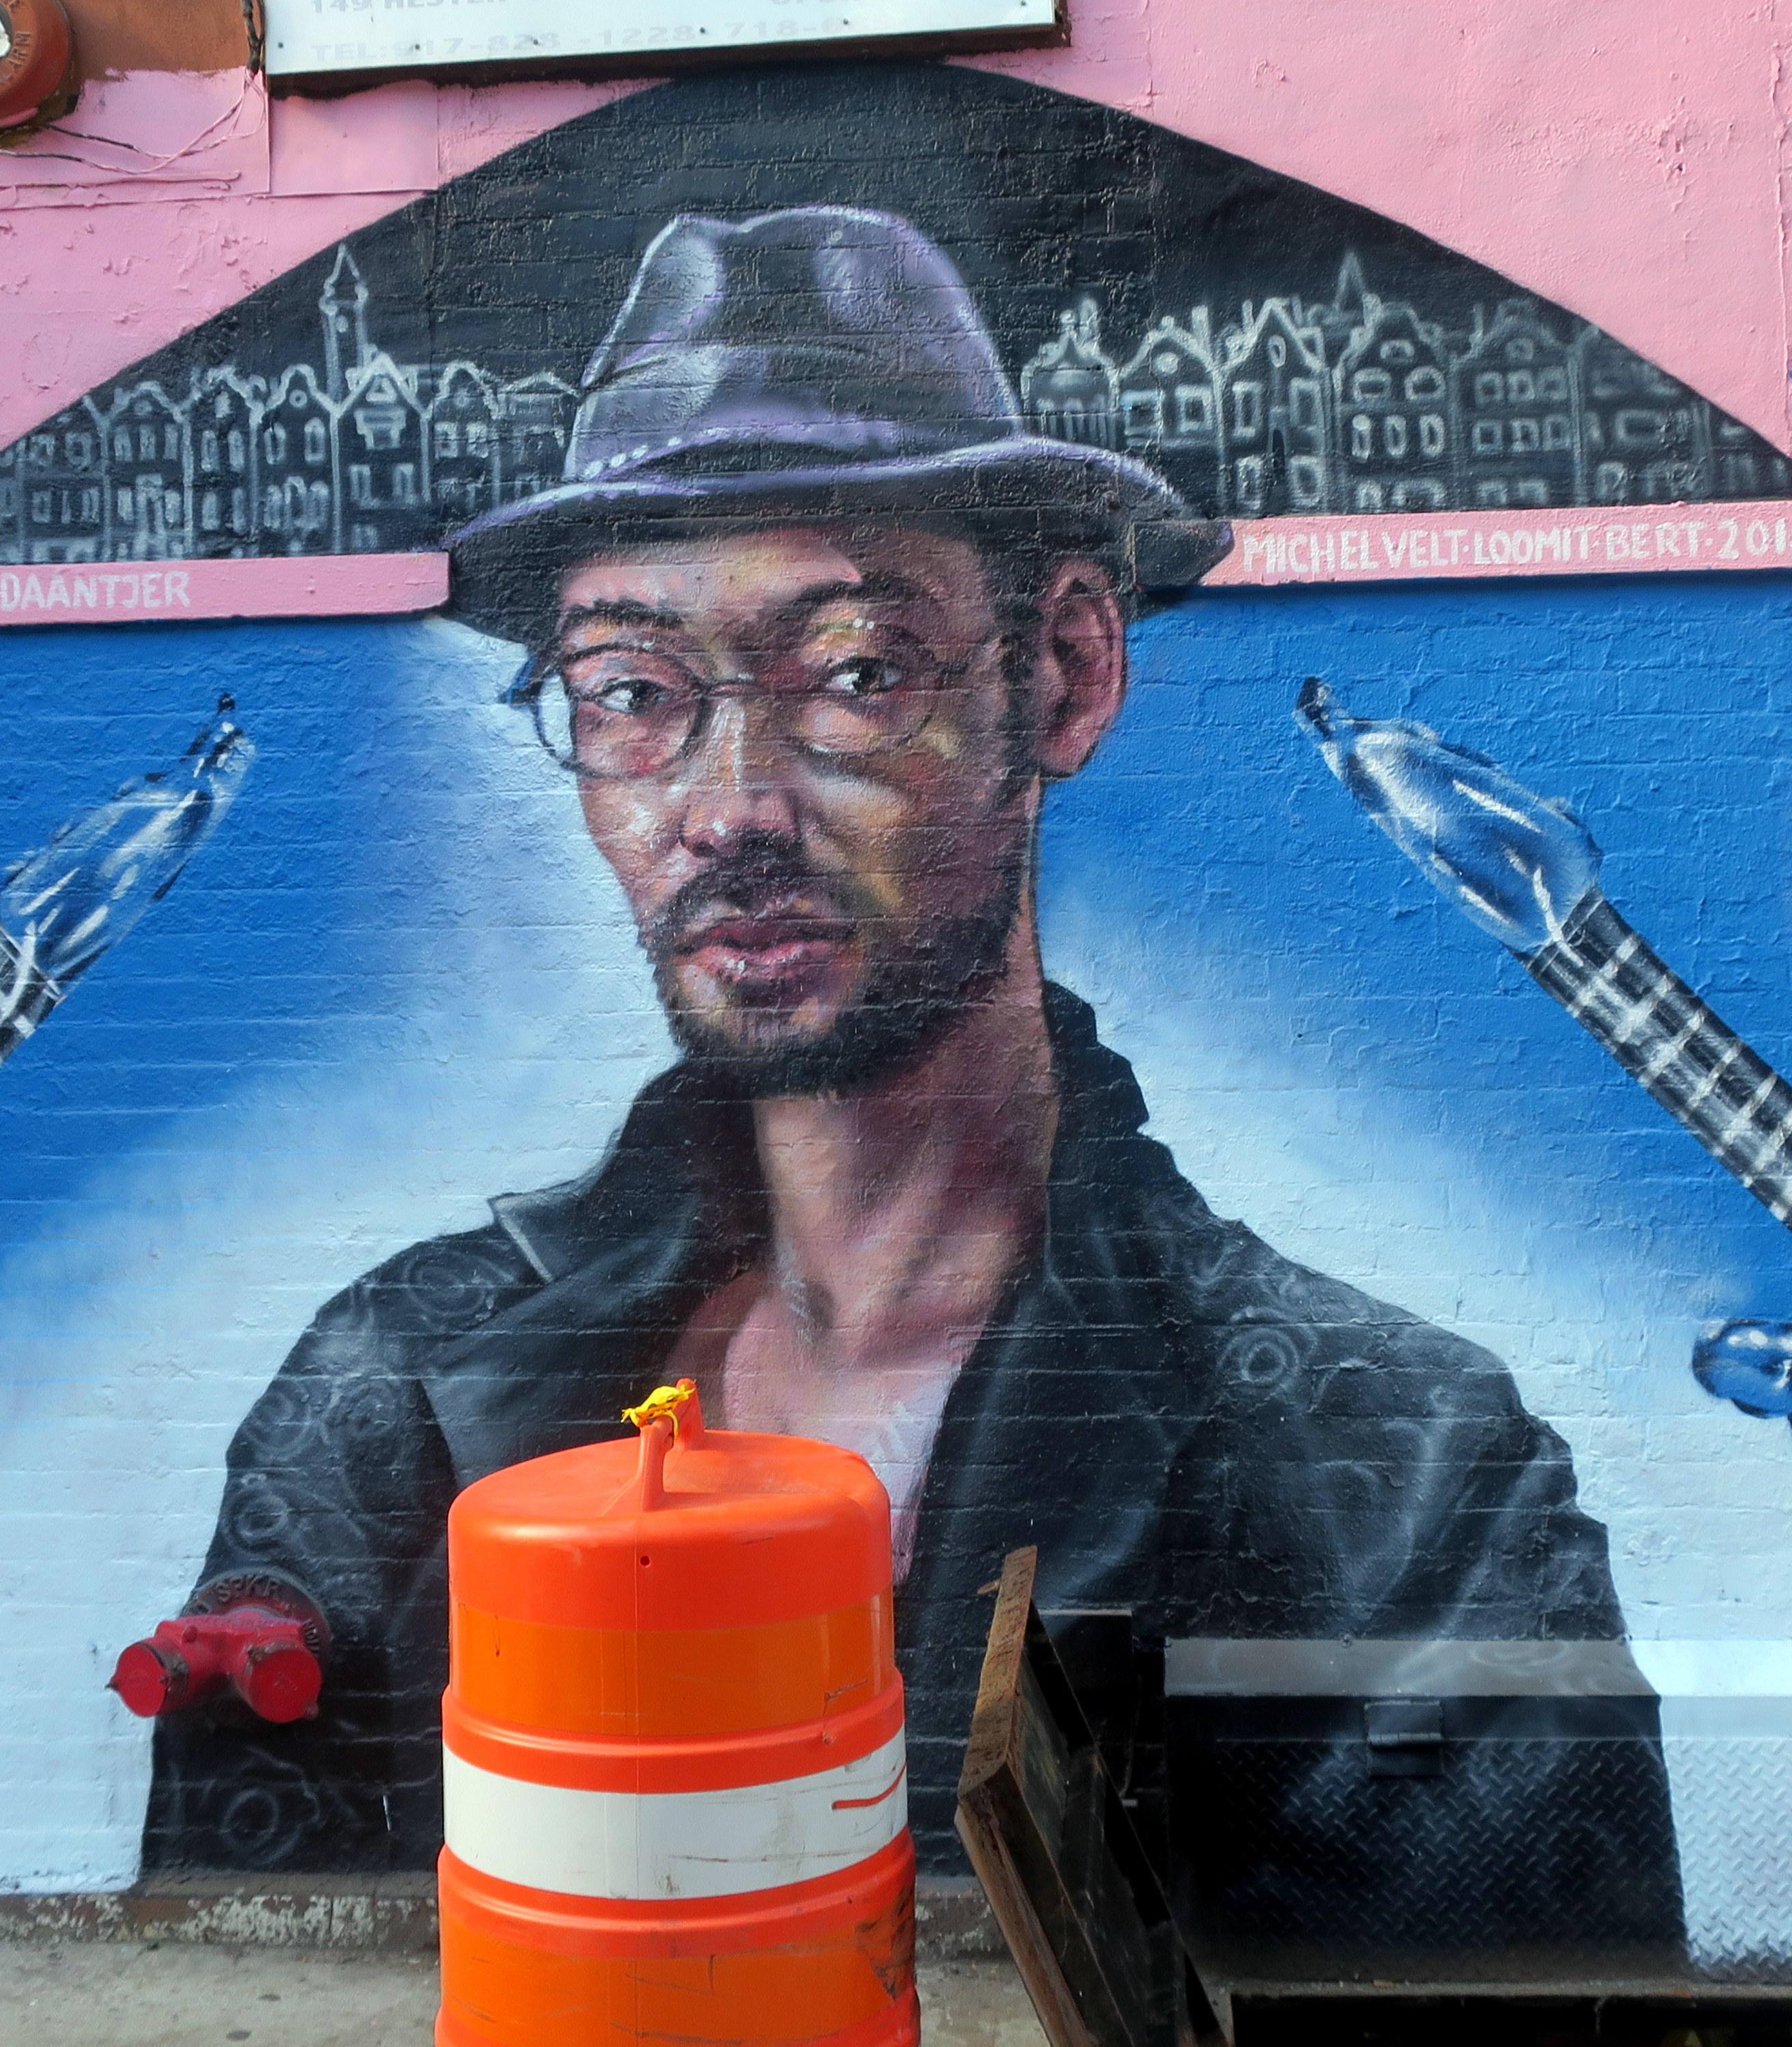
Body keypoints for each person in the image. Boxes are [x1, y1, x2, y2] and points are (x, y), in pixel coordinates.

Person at [145, 208, 1680, 1950]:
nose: (726, 807)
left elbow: (1531, 2029)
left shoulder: (1391, 1469)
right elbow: (243, 1987)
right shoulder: (398, 1388)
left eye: (857, 673)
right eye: (632, 691)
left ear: (1071, 672)